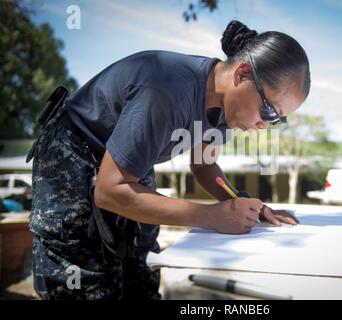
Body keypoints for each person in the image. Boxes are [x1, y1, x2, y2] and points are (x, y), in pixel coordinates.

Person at [27, 20, 310, 300]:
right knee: (89, 284)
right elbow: (110, 191)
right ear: (242, 75)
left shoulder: (225, 108)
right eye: (269, 112)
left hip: (128, 170)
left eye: (277, 121)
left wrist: (243, 205)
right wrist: (211, 216)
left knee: (140, 273)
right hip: (73, 157)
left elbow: (204, 165)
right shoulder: (168, 90)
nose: (264, 125)